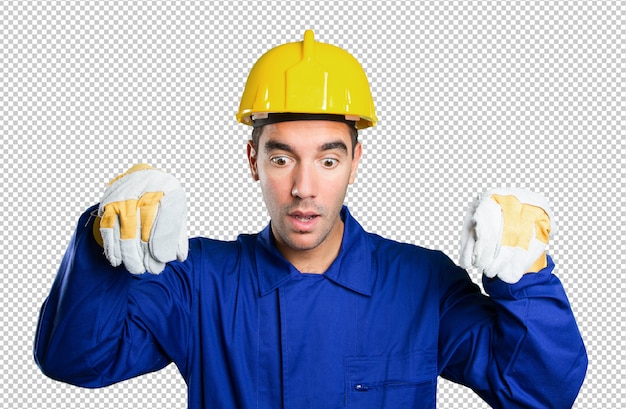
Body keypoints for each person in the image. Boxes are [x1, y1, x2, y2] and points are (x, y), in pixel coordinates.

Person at [34, 30, 587, 408]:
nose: (303, 187)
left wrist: (527, 276)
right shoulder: (196, 280)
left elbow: (539, 392)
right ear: (252, 160)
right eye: (281, 158)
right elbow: (77, 360)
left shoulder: (420, 284)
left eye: (327, 158)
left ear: (354, 162)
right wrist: (101, 243)